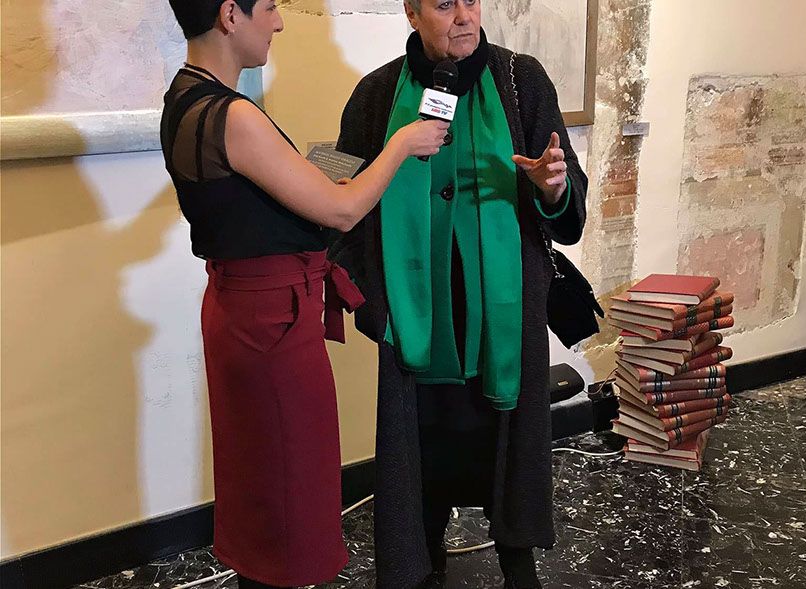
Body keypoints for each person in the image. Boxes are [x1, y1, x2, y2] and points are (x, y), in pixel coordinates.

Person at [161, 1, 449, 588]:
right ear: (229, 15)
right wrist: (400, 144)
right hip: (273, 323)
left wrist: (316, 181)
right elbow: (341, 212)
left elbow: (250, 204)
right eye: (269, 7)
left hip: (237, 311)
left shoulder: (182, 97)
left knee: (259, 483)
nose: (279, 21)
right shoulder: (235, 115)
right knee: (291, 484)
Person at [330, 1, 588, 587]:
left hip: (502, 322)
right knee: (422, 460)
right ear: (412, 11)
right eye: (445, 4)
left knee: (506, 449)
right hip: (413, 323)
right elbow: (333, 202)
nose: (464, 16)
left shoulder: (522, 81)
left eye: (471, 0)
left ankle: (517, 563)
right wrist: (372, 308)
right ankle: (425, 563)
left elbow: (569, 204)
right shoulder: (374, 96)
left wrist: (553, 188)